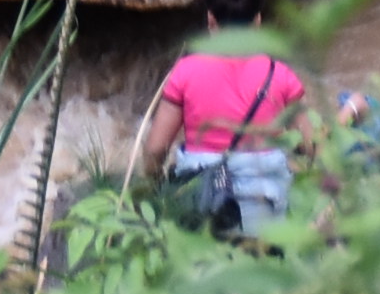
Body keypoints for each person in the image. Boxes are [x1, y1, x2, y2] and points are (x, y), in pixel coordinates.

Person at [129, 30, 308, 239]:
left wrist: (153, 184)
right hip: (263, 212)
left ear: (211, 20)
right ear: (258, 20)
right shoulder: (279, 73)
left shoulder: (185, 72)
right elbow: (311, 145)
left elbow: (156, 149)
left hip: (203, 202)